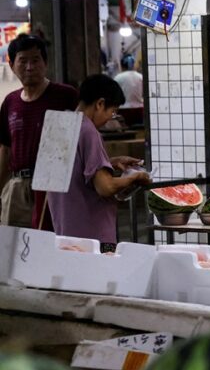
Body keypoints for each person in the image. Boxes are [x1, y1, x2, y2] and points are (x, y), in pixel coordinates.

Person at [47, 75, 150, 252]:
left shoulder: (58, 125)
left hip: (64, 235)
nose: (111, 117)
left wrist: (110, 162)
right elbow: (106, 187)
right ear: (100, 104)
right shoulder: (89, 131)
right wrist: (136, 177)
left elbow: (73, 171)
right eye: (113, 111)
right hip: (93, 239)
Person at [0, 34, 79, 228]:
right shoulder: (10, 102)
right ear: (12, 66)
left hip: (54, 188)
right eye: (23, 61)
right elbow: (5, 149)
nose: (29, 67)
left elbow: (81, 142)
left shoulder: (65, 95)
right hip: (17, 186)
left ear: (45, 63)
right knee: (14, 249)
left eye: (35, 60)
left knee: (50, 245)